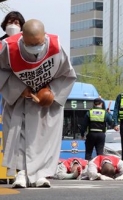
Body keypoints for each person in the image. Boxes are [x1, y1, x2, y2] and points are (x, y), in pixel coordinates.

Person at [0, 19, 77, 188]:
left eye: (39, 43)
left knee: (44, 138)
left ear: (45, 36)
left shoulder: (56, 46)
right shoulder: (8, 47)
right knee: (17, 135)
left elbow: (68, 74)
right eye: (31, 44)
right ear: (22, 38)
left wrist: (51, 92)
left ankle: (41, 174)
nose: (35, 47)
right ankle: (21, 173)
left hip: (45, 102)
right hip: (19, 99)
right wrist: (20, 89)